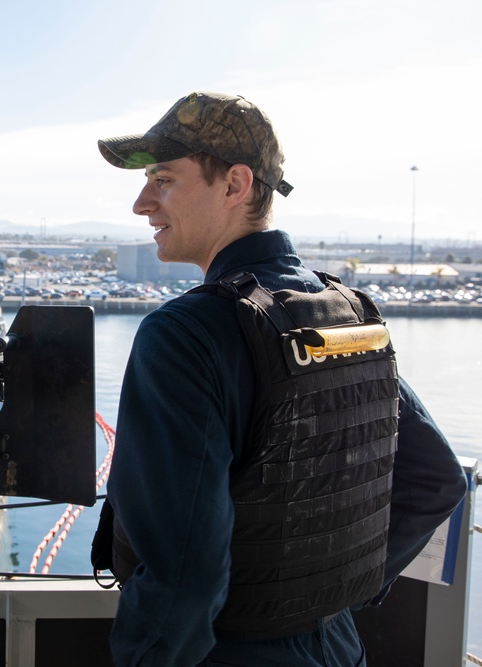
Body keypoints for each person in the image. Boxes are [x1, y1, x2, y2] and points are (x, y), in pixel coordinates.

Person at [93, 92, 467, 666]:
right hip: (339, 648)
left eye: (164, 179)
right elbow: (438, 478)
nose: (143, 203)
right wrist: (329, 593)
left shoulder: (185, 335)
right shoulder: (349, 313)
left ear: (235, 185)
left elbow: (184, 575)